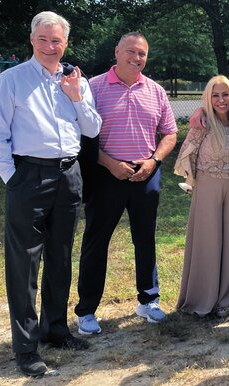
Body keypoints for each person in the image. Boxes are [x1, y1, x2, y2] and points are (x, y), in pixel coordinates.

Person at [0, 11, 102, 377]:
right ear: (32, 40)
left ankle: (56, 329)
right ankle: (26, 346)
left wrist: (77, 97)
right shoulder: (11, 81)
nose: (51, 47)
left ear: (66, 43)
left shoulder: (75, 80)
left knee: (61, 256)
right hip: (28, 175)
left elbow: (93, 129)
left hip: (69, 174)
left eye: (57, 41)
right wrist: (13, 178)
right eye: (44, 40)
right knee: (24, 263)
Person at [74, 33, 178, 334]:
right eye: (131, 51)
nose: (137, 58)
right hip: (106, 175)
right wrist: (110, 164)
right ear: (117, 52)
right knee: (96, 241)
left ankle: (148, 300)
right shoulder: (93, 87)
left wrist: (154, 162)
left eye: (142, 53)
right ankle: (87, 310)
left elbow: (170, 133)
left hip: (146, 174)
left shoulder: (155, 91)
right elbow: (83, 136)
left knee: (145, 239)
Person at [174, 75, 229, 317]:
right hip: (207, 187)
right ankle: (202, 297)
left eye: (225, 94)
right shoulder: (202, 123)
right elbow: (186, 156)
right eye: (215, 95)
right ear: (207, 98)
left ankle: (228, 297)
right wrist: (192, 183)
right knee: (208, 242)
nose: (220, 100)